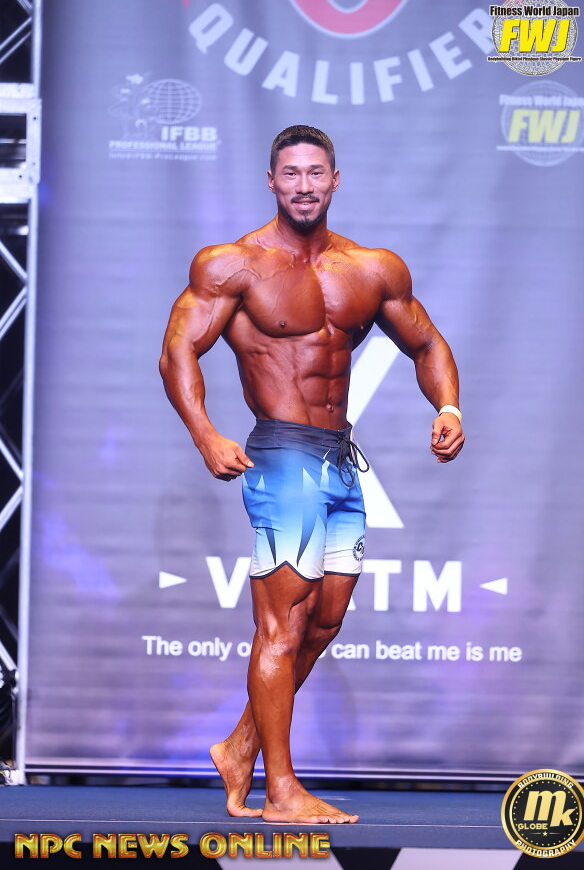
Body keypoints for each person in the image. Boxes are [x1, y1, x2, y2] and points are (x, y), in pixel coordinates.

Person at [159, 125, 464, 824]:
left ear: (334, 180)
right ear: (272, 181)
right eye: (291, 173)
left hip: (339, 461)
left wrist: (448, 405)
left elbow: (427, 343)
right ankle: (280, 791)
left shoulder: (372, 269)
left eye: (315, 173)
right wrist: (206, 434)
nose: (304, 185)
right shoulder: (233, 265)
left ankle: (240, 747)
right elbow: (177, 351)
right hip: (281, 457)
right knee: (283, 626)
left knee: (325, 621)